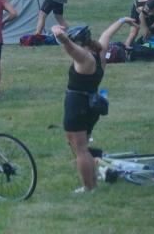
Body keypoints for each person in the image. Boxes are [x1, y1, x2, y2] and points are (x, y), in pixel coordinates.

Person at [54, 20, 130, 193]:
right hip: (90, 105)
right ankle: (92, 181)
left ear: (79, 43)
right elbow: (107, 35)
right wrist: (122, 21)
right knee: (80, 146)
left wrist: (58, 34)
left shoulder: (84, 58)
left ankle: (89, 187)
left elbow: (67, 45)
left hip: (77, 105)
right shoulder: (99, 53)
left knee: (80, 150)